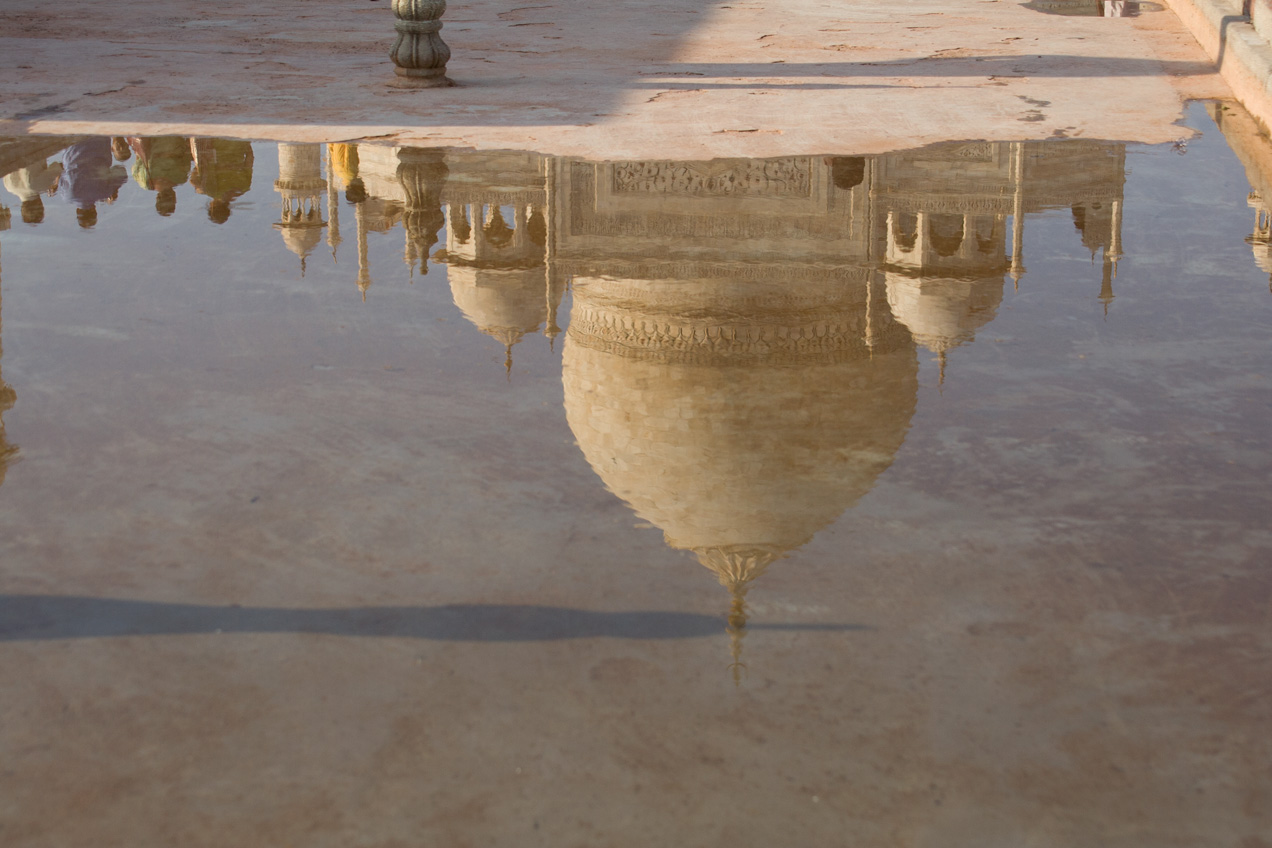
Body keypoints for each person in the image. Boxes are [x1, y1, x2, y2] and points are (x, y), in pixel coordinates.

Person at [59, 138, 127, 228]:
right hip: (72, 141)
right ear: (77, 211)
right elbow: (62, 173)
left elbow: (122, 171)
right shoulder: (67, 196)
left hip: (100, 138)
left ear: (95, 210)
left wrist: (114, 190)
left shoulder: (103, 192)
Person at [189, 138, 254, 224]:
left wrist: (245, 142)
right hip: (216, 143)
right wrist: (200, 188)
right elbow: (199, 172)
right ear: (211, 207)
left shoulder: (244, 188)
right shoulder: (210, 190)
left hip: (237, 143)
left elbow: (250, 158)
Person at [127, 136, 192, 217]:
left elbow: (187, 153)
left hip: (175, 134)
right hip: (150, 135)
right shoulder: (145, 182)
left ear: (174, 198)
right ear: (157, 198)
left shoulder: (182, 177)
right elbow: (138, 161)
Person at [2, 155, 63, 225]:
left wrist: (55, 183)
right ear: (22, 208)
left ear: (41, 205)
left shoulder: (41, 186)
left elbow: (60, 166)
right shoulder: (8, 187)